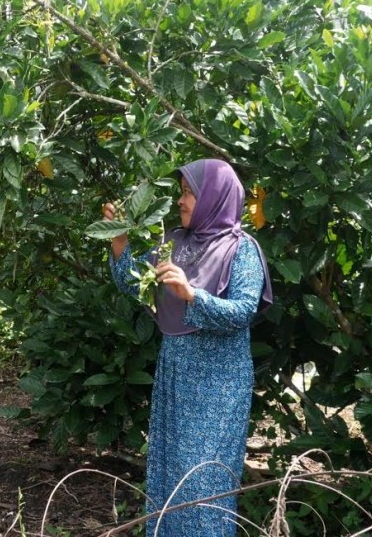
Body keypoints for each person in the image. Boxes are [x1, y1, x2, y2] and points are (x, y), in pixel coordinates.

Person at [102, 158, 272, 536]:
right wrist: (119, 240)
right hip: (175, 375)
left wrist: (192, 295)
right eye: (181, 192)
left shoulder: (241, 249)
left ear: (214, 197)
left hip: (217, 386)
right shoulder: (175, 243)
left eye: (188, 193)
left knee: (203, 482)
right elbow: (136, 286)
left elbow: (243, 311)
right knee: (170, 471)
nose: (181, 201)